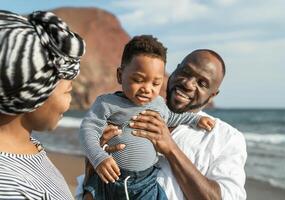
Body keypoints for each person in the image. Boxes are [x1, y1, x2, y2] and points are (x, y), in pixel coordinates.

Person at [80, 49, 247, 200]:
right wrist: (93, 160)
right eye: (185, 72)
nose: (188, 84)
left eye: (202, 83)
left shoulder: (226, 138)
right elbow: (86, 187)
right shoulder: (120, 113)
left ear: (213, 95)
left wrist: (170, 149)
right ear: (173, 72)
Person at [0, 10, 85, 199]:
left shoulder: (29, 145)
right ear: (33, 91)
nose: (69, 102)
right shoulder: (8, 188)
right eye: (68, 91)